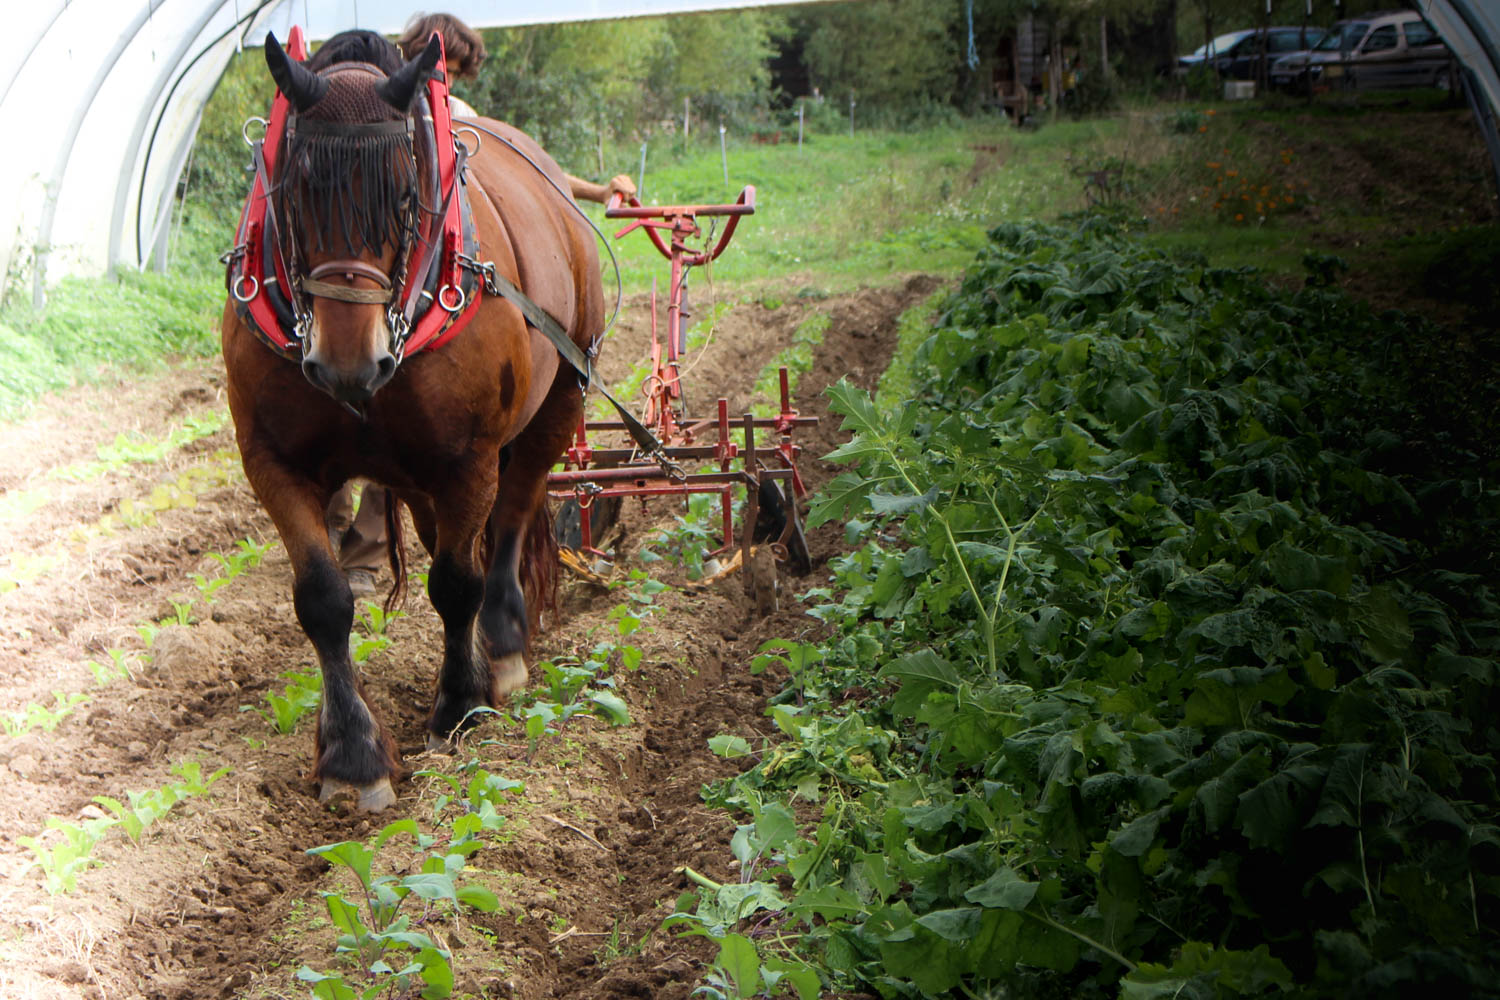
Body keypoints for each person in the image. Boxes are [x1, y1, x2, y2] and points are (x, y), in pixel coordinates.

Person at [330, 14, 635, 596]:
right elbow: (521, 168)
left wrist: (594, 191)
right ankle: (369, 549)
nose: (451, 77)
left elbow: (525, 167)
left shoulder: (370, 109)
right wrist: (595, 193)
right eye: (454, 67)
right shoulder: (447, 115)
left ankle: (358, 544)